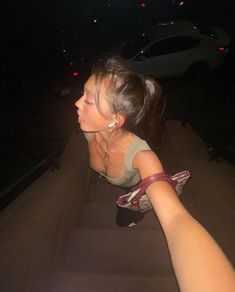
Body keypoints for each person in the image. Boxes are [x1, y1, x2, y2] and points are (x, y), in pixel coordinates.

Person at [75, 55, 235, 291]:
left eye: (88, 101)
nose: (77, 103)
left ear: (115, 120)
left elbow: (175, 219)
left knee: (126, 212)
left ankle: (132, 217)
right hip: (113, 179)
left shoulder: (142, 156)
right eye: (83, 94)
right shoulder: (90, 130)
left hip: (130, 187)